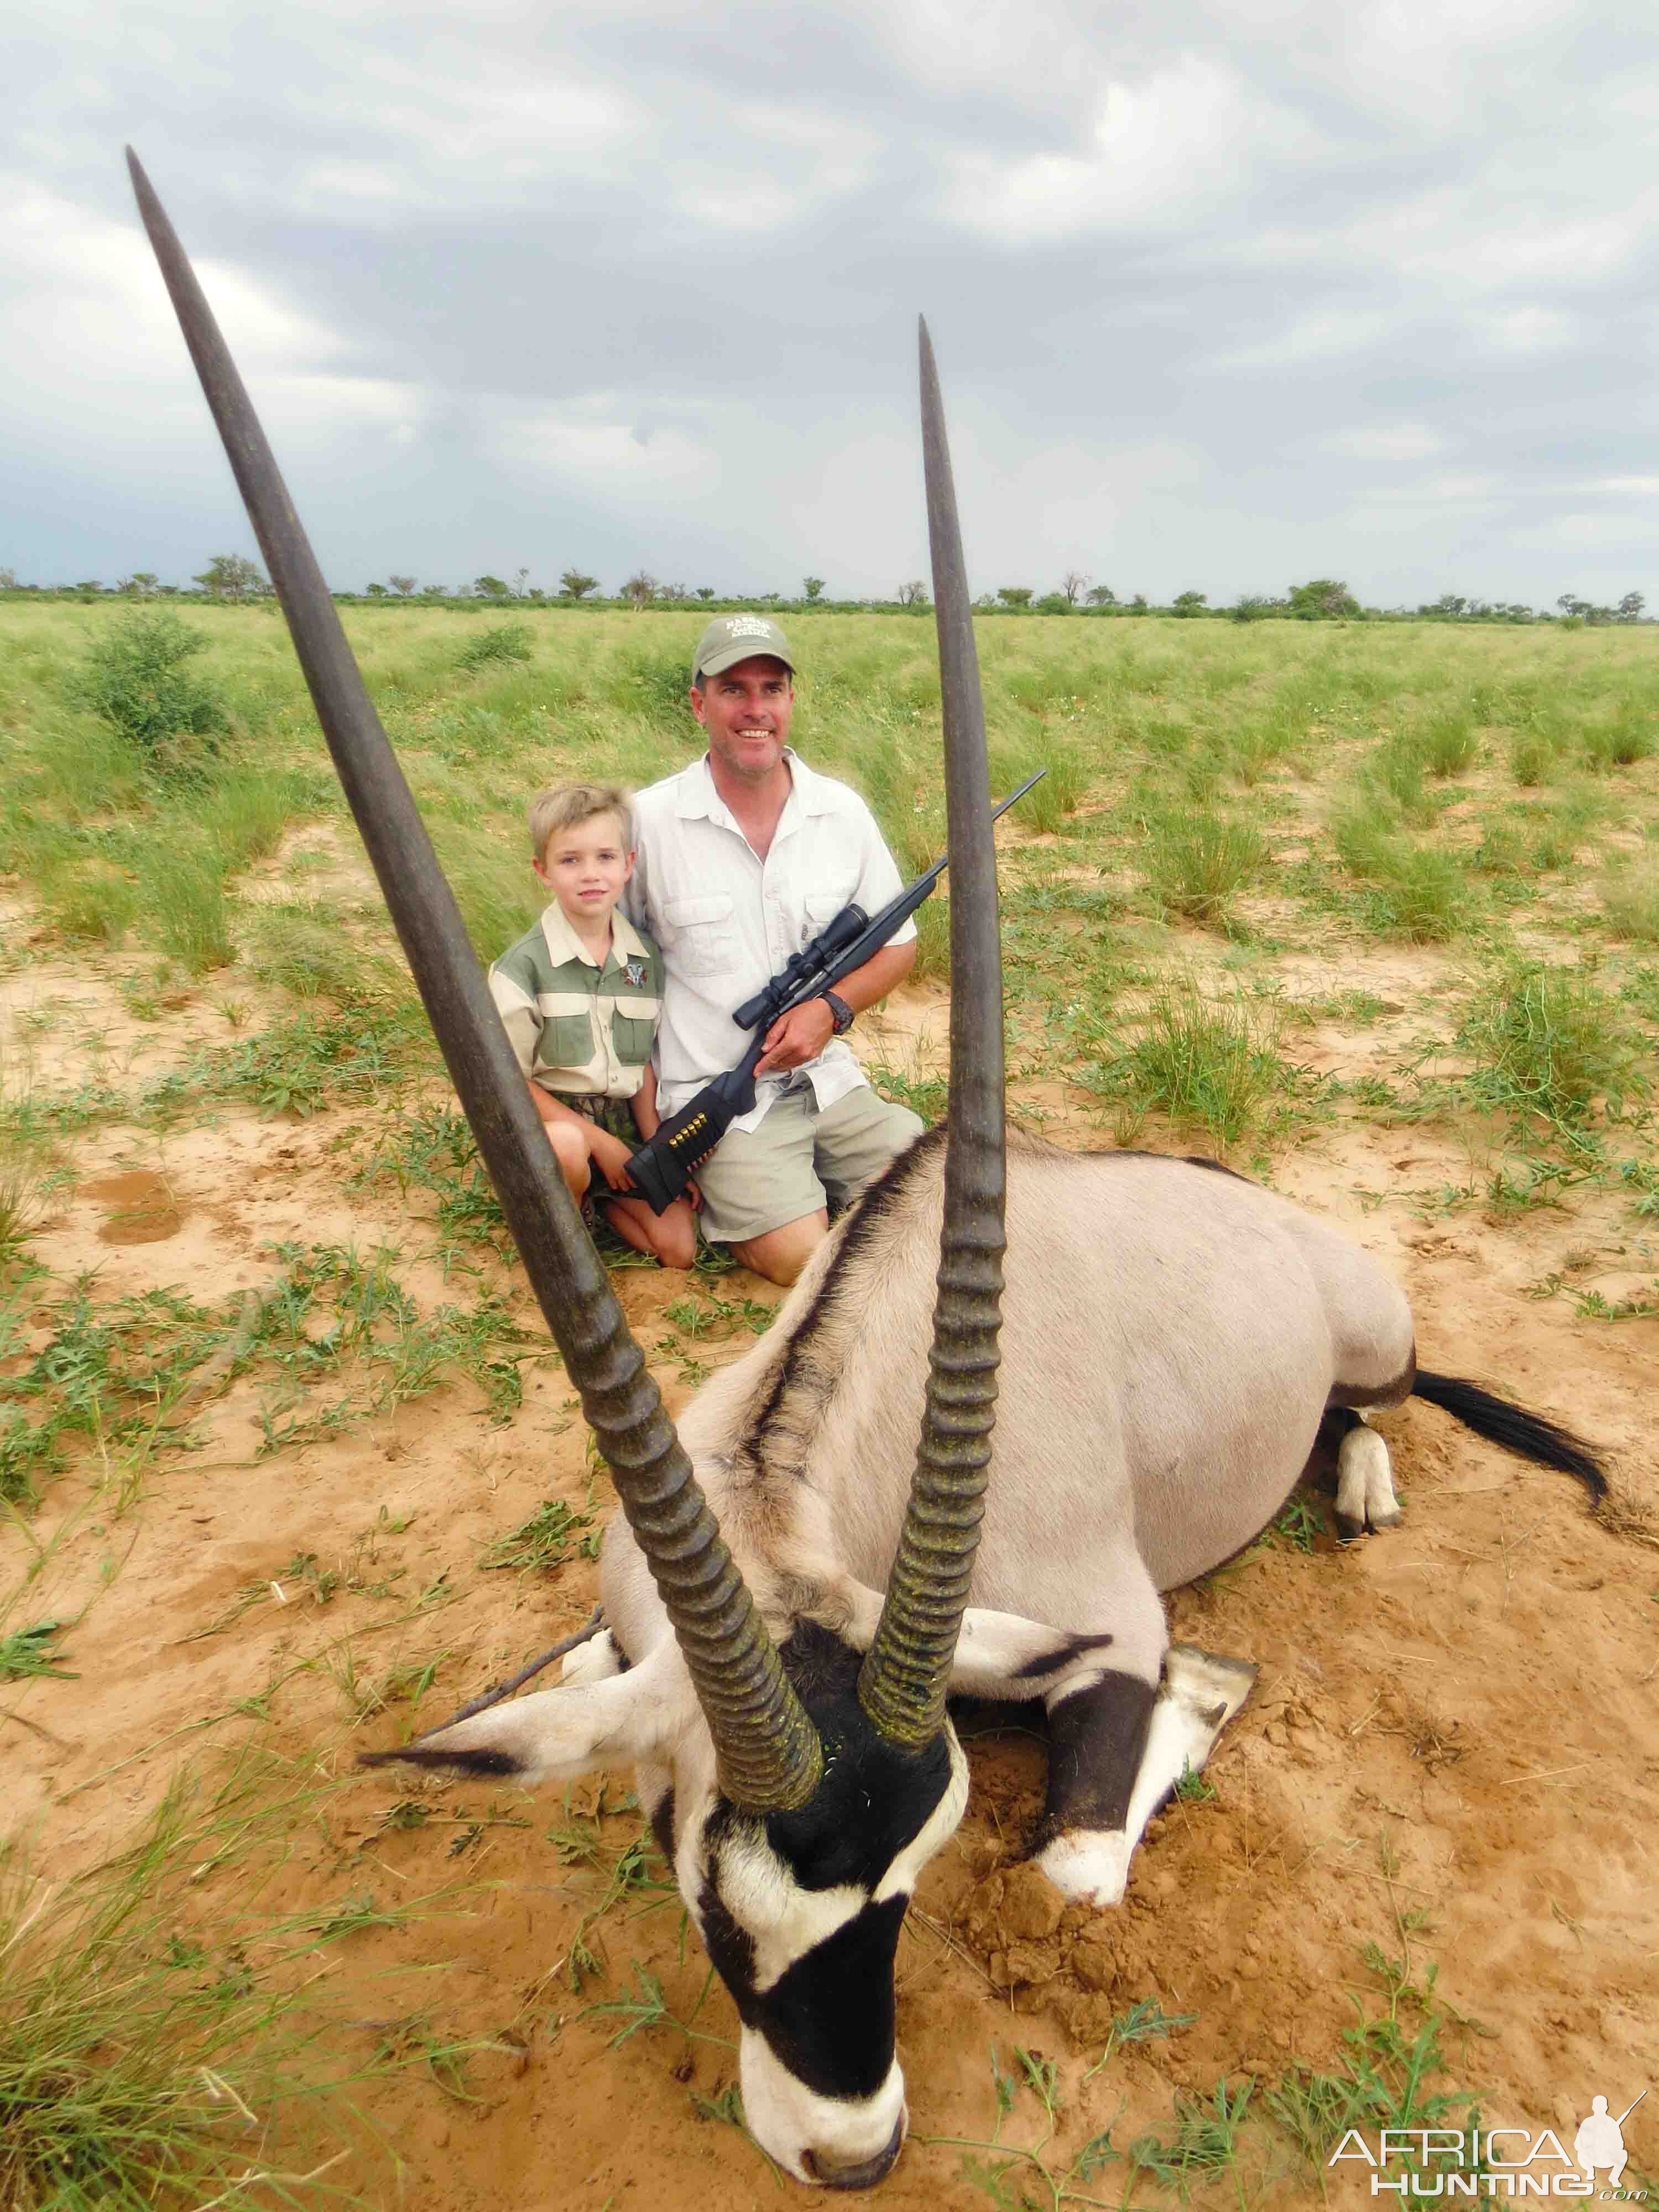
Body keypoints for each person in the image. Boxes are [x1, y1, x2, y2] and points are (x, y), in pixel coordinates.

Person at [624, 615, 924, 1286]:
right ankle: (757, 1200)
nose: (755, 709)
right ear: (700, 704)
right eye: (734, 689)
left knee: (946, 1192)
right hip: (718, 1101)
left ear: (791, 701)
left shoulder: (841, 813)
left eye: (772, 688)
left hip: (830, 1082)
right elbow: (619, 970)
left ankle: (813, 1193)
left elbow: (897, 947)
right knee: (804, 1259)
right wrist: (649, 1125)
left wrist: (831, 1010)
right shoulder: (648, 822)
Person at [488, 780, 699, 1269]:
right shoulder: (521, 968)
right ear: (542, 871)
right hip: (548, 1123)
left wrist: (655, 1150)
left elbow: (641, 1060)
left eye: (605, 857)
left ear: (628, 864)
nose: (591, 875)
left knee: (678, 1250)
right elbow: (508, 1084)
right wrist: (597, 1144)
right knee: (566, 1150)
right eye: (570, 861)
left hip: (618, 1123)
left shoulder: (643, 958)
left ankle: (597, 1205)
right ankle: (563, 1216)